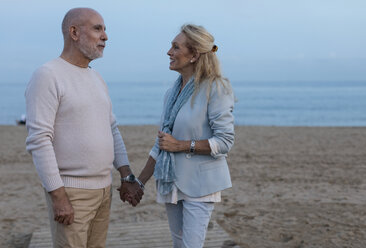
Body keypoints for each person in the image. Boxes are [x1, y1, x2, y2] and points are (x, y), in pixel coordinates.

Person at [25, 8, 143, 248]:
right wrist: (58, 197)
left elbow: (112, 129)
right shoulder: (48, 75)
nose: (105, 36)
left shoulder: (96, 78)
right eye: (98, 28)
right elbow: (39, 140)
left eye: (105, 29)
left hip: (104, 190)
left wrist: (126, 175)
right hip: (71, 193)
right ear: (74, 32)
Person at [136, 24, 235, 248]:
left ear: (194, 55)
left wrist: (181, 145)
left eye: (175, 47)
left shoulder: (216, 88)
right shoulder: (171, 93)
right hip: (171, 182)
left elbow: (225, 142)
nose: (169, 52)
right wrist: (139, 182)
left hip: (201, 184)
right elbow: (161, 144)